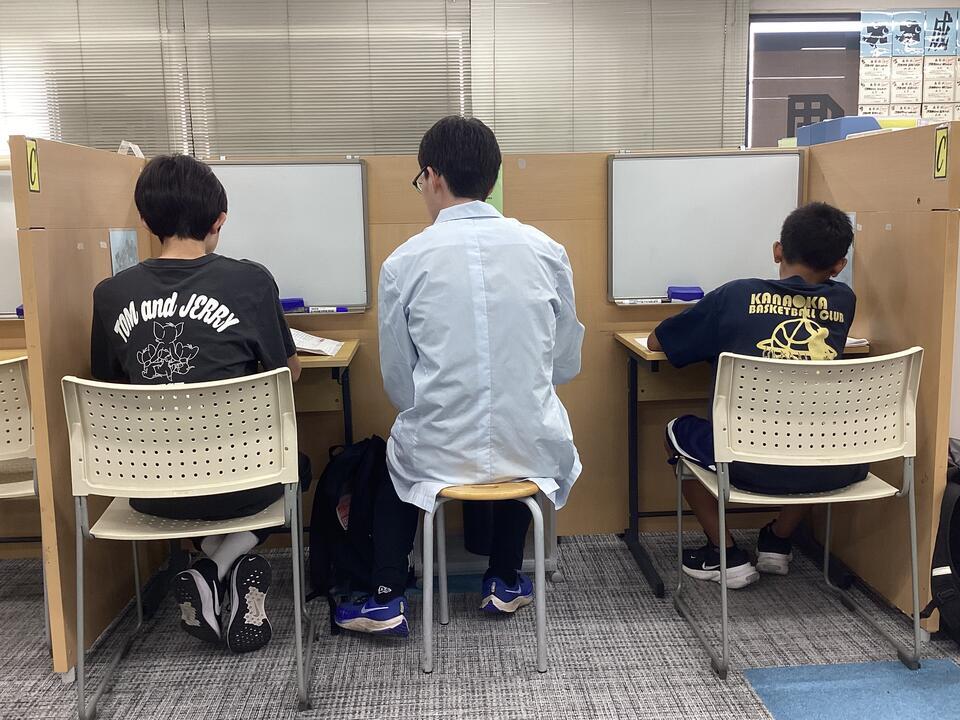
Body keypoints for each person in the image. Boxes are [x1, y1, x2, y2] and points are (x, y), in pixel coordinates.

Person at [334, 116, 584, 636]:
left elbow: (399, 384)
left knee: (395, 455)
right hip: (530, 447)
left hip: (439, 453)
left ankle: (386, 598)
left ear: (432, 176)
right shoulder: (547, 251)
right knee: (522, 433)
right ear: (492, 178)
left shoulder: (404, 262)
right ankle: (505, 579)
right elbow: (566, 364)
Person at [90, 154, 302, 652]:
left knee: (190, 475)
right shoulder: (251, 282)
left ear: (146, 222)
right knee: (298, 467)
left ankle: (209, 568)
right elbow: (287, 374)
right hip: (240, 485)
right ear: (218, 220)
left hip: (147, 488)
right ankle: (217, 568)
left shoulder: (110, 294)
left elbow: (109, 383)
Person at [648, 201, 864, 589]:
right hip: (831, 464)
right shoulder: (843, 302)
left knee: (675, 432)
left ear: (778, 250)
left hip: (745, 462)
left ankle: (726, 555)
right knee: (812, 438)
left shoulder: (735, 296)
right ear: (838, 266)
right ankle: (778, 541)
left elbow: (657, 342)